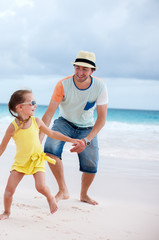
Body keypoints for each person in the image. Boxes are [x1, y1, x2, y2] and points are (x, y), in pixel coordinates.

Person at [0, 90, 83, 220]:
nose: (35, 106)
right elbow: (2, 148)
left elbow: (52, 134)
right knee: (9, 191)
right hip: (21, 163)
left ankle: (50, 197)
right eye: (32, 103)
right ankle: (6, 212)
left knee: (40, 187)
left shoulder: (37, 121)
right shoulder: (13, 127)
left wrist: (71, 140)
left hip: (37, 160)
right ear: (20, 107)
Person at [41, 50, 108, 205]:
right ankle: (63, 189)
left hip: (87, 127)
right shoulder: (63, 84)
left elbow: (102, 119)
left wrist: (87, 140)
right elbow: (49, 113)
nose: (80, 72)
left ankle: (84, 194)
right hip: (65, 122)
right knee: (50, 149)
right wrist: (39, 137)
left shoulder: (100, 86)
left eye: (85, 69)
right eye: (77, 68)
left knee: (91, 164)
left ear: (92, 71)